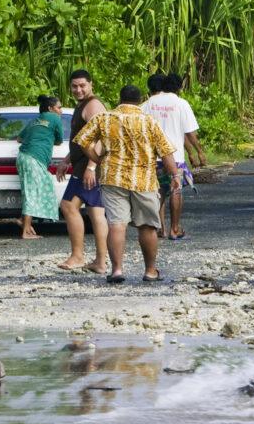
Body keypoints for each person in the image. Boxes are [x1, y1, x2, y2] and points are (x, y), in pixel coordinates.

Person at [74, 84, 179, 283]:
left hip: (113, 178)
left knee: (116, 224)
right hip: (144, 180)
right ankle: (150, 271)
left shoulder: (104, 118)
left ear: (120, 99)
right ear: (140, 100)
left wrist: (96, 159)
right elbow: (166, 153)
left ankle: (117, 271)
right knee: (147, 226)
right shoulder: (150, 121)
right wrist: (174, 176)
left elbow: (83, 141)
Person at [142, 72, 206, 239]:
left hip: (153, 158)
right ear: (179, 88)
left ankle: (160, 229)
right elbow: (188, 132)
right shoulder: (181, 103)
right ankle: (175, 229)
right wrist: (198, 151)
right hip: (175, 157)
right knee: (175, 190)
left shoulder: (148, 104)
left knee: (158, 192)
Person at [58, 70, 108, 272]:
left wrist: (91, 167)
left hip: (89, 167)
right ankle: (100, 262)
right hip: (84, 164)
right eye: (74, 86)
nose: (78, 90)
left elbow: (102, 137)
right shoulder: (83, 105)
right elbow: (82, 140)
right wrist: (66, 160)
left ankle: (78, 256)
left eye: (82, 86)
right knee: (95, 211)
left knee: (69, 206)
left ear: (91, 84)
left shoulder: (93, 105)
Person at [15, 95, 64, 240]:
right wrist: (46, 139)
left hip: (23, 156)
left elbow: (19, 138)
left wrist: (38, 137)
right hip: (34, 158)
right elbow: (60, 140)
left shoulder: (34, 121)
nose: (60, 111)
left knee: (36, 188)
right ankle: (26, 231)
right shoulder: (54, 118)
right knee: (32, 192)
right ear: (50, 108)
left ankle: (23, 220)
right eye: (59, 107)